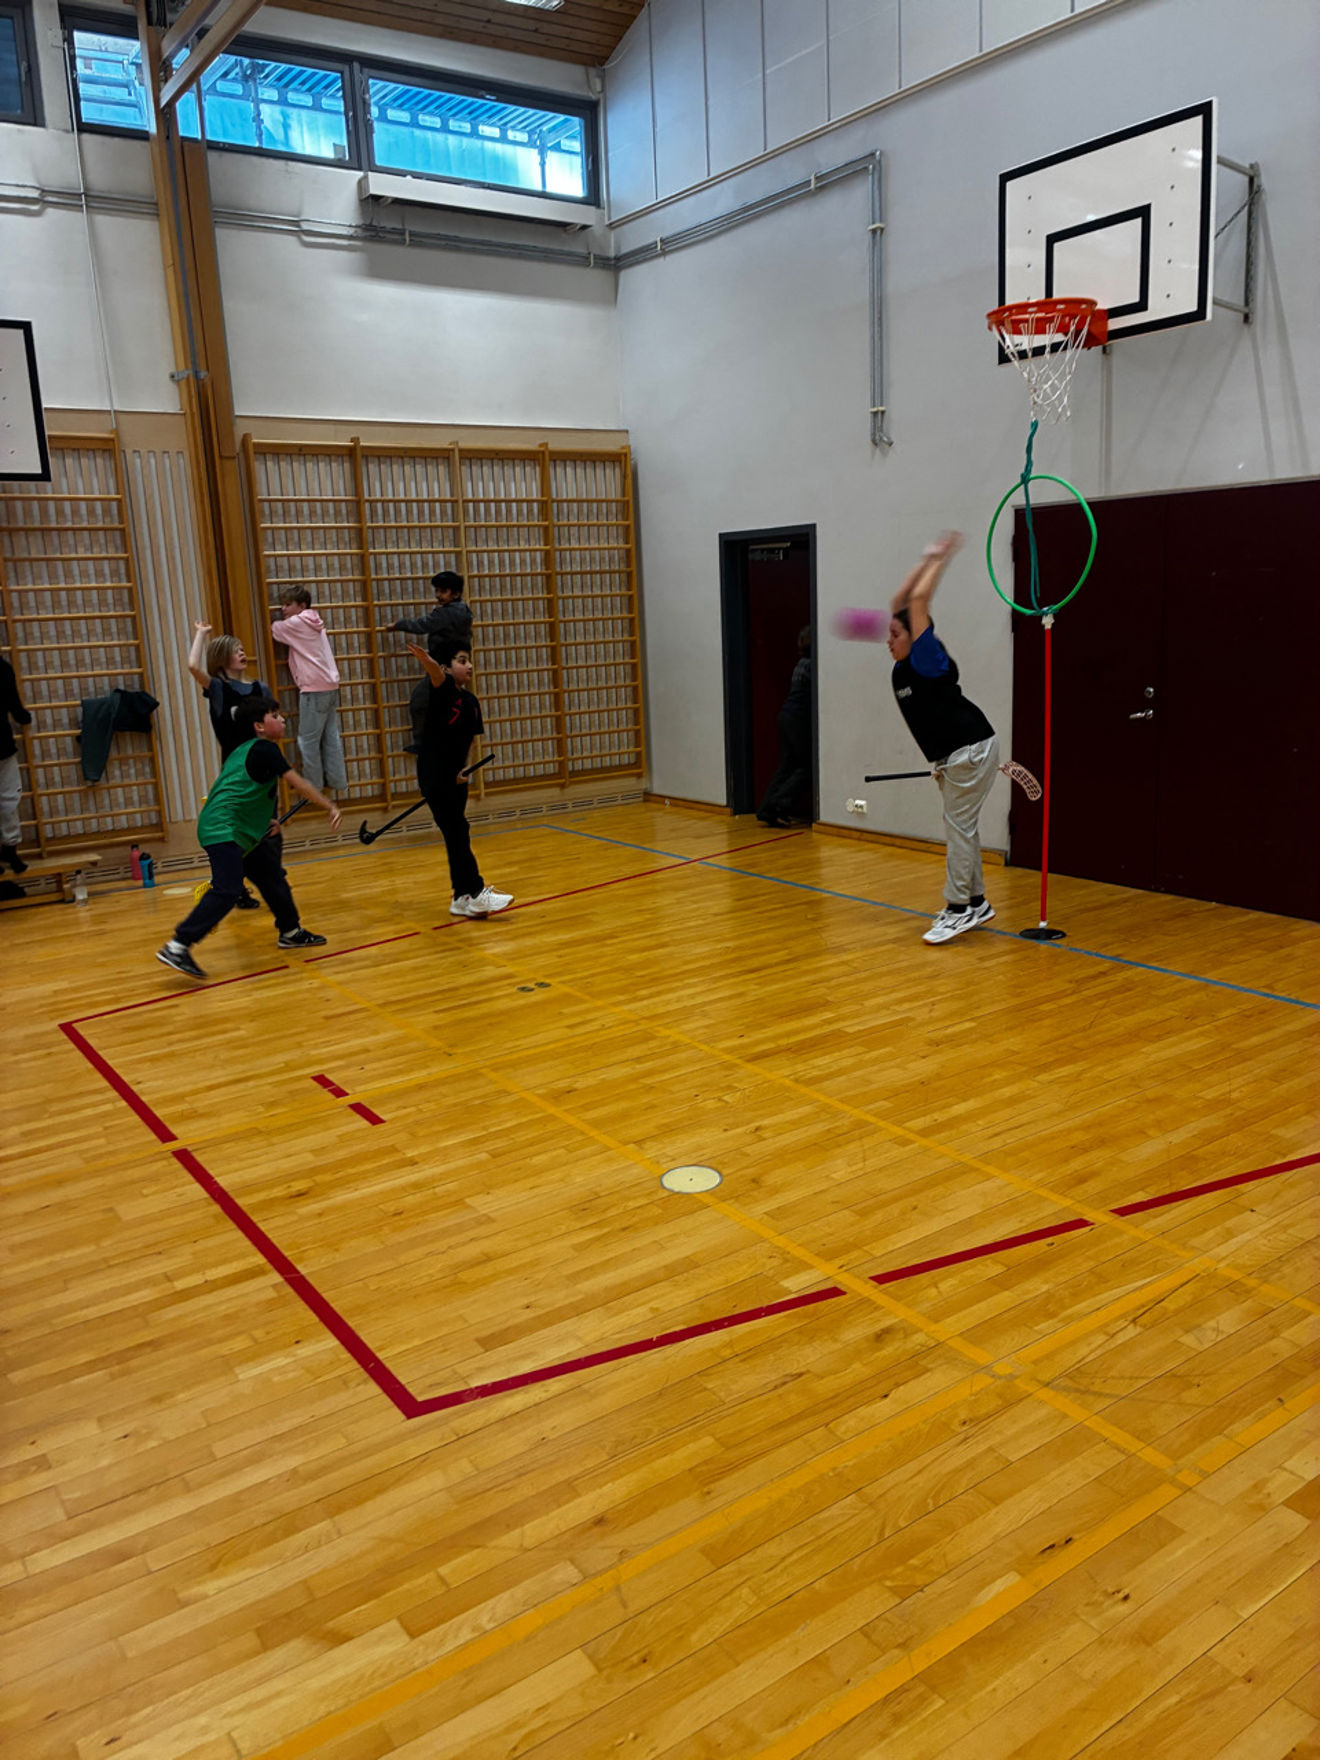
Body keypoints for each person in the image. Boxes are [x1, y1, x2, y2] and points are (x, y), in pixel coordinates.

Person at [157, 696, 341, 980]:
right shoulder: (266, 749)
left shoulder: (243, 751)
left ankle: (291, 931)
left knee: (270, 875)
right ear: (259, 726)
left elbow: (241, 790)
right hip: (224, 829)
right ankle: (178, 945)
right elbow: (299, 784)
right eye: (274, 715)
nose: (282, 719)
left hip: (233, 828)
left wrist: (263, 821)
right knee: (227, 890)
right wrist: (329, 805)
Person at [886, 532, 999, 944]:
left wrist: (939, 559)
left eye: (895, 635)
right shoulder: (903, 667)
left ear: (915, 637)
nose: (888, 640)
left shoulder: (926, 658)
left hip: (970, 749)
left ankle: (958, 910)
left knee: (957, 828)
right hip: (957, 754)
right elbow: (900, 601)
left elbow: (916, 604)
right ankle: (977, 901)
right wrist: (923, 556)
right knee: (963, 828)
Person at [406, 639, 512, 918]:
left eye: (469, 660)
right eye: (462, 661)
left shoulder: (470, 702)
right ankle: (475, 893)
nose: (469, 666)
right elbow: (436, 675)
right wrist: (427, 661)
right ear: (447, 668)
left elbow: (462, 743)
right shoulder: (440, 694)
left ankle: (460, 897)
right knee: (457, 833)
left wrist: (462, 771)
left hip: (457, 779)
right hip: (434, 777)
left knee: (457, 834)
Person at [187, 621, 276, 909]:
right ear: (222, 657)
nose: (242, 653)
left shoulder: (260, 688)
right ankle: (233, 886)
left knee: (266, 829)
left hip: (262, 767)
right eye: (236, 650)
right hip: (235, 770)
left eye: (242, 649)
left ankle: (271, 882)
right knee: (235, 831)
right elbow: (192, 665)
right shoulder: (218, 689)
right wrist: (201, 634)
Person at [270, 587, 348, 794]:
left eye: (288, 604)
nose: (282, 608)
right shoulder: (315, 621)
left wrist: (281, 620)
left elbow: (275, 629)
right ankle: (337, 780)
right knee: (330, 737)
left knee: (308, 741)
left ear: (302, 606)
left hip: (314, 689)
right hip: (330, 685)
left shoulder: (297, 623)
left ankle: (313, 787)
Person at [387, 571, 473, 752]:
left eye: (443, 591)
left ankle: (424, 743)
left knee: (420, 701)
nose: (438, 595)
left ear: (455, 594)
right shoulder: (464, 610)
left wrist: (398, 625)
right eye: (437, 591)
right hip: (455, 665)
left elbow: (422, 625)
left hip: (444, 666)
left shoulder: (446, 614)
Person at [757, 625, 813, 828]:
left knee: (787, 765)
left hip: (786, 715)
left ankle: (766, 809)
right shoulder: (812, 665)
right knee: (806, 767)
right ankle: (776, 805)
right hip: (797, 718)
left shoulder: (801, 663)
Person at [0, 650, 32, 874]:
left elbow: (12, 700)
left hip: (2, 745)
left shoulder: (2, 668)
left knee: (9, 800)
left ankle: (10, 849)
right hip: (2, 743)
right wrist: (22, 716)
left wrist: (21, 715)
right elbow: (14, 703)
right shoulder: (2, 668)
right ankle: (10, 849)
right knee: (8, 799)